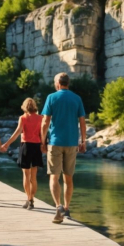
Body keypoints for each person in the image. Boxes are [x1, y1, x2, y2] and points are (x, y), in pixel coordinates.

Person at [40, 73, 86, 223]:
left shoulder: (51, 97)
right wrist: (83, 141)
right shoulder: (77, 98)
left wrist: (42, 140)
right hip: (72, 143)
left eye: (54, 82)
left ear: (58, 83)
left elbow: (45, 121)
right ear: (68, 83)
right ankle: (67, 208)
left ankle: (58, 206)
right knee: (69, 178)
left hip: (55, 142)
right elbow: (82, 122)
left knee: (54, 176)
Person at [0, 98, 42, 209]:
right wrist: (44, 145)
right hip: (36, 147)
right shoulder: (40, 118)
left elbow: (17, 132)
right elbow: (42, 133)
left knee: (26, 175)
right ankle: (32, 199)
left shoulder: (22, 118)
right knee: (34, 176)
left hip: (26, 147)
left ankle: (28, 199)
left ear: (24, 106)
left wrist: (7, 144)